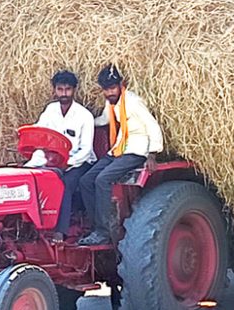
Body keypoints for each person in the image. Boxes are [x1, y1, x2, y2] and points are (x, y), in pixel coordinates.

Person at [78, 65, 163, 245]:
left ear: (120, 85)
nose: (109, 92)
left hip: (135, 150)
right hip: (119, 150)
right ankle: (95, 226)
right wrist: (84, 121)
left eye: (112, 88)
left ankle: (104, 231)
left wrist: (152, 154)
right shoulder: (112, 104)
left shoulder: (133, 102)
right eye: (106, 90)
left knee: (102, 180)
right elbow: (104, 121)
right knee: (85, 181)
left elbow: (152, 126)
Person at [27, 70, 96, 243]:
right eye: (60, 89)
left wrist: (68, 163)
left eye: (67, 90)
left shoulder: (84, 116)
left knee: (63, 185)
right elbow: (40, 134)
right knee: (35, 179)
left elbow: (86, 150)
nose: (64, 94)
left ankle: (60, 231)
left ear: (74, 90)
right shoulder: (50, 111)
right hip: (53, 160)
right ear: (54, 90)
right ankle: (35, 228)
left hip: (79, 162)